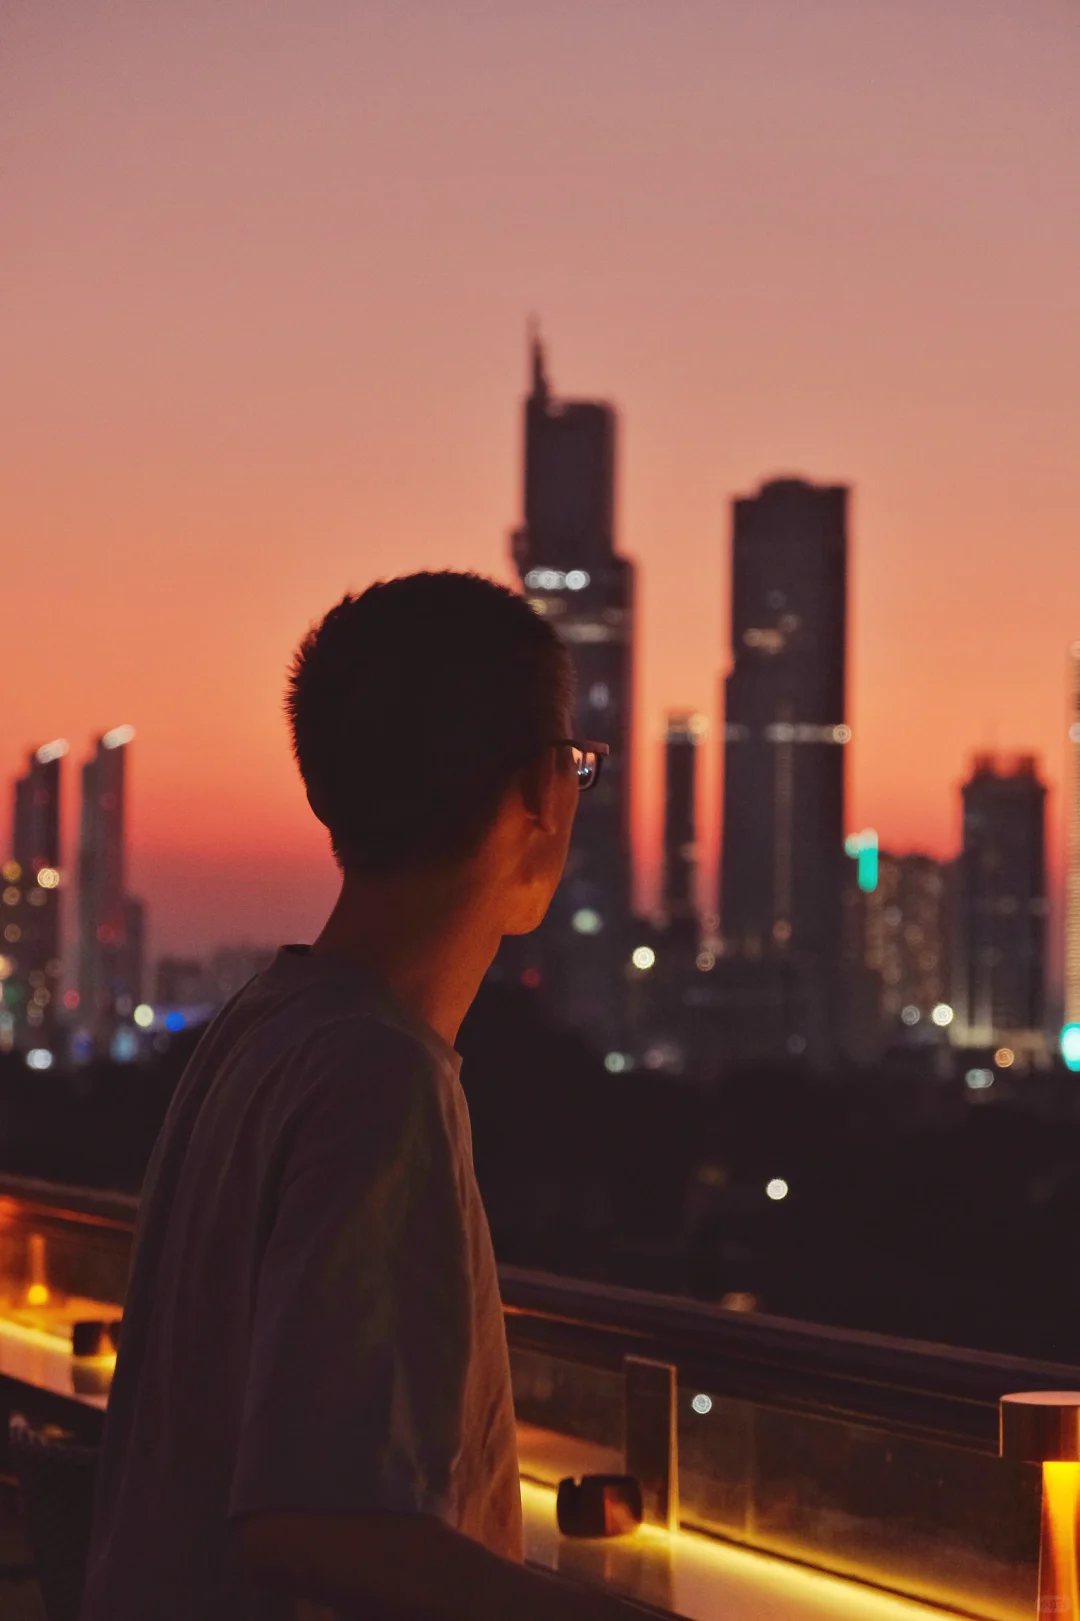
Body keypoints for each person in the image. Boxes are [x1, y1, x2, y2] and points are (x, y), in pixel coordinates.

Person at [80, 571, 639, 1621]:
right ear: (542, 795)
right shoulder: (380, 1078)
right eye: (575, 764)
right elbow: (324, 1529)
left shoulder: (262, 1028)